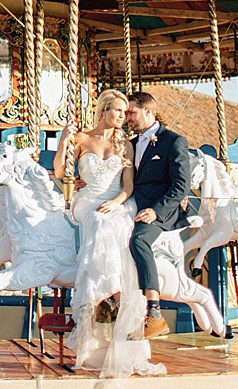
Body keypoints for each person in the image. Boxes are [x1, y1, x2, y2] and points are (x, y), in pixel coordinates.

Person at [53, 88, 164, 377]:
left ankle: (110, 293)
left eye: (126, 111)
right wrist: (64, 140)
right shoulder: (81, 139)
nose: (123, 116)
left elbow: (128, 185)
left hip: (116, 200)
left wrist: (116, 202)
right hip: (88, 199)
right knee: (99, 222)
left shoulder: (124, 144)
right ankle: (112, 292)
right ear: (104, 111)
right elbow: (60, 172)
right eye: (117, 111)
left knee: (113, 223)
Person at [126, 90, 191, 339]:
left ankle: (154, 311)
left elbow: (180, 186)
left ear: (148, 111)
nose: (128, 118)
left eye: (132, 112)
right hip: (134, 205)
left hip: (162, 210)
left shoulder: (173, 141)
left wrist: (155, 211)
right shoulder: (131, 145)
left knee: (139, 239)